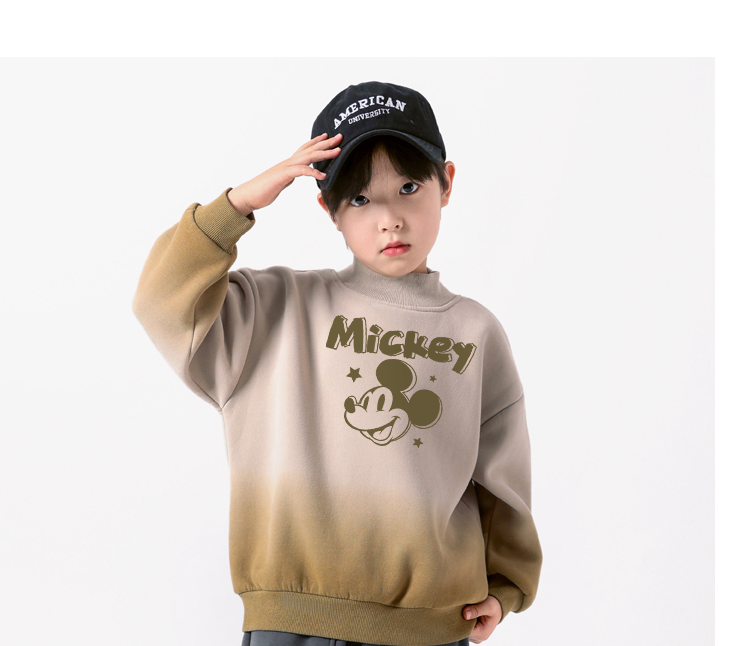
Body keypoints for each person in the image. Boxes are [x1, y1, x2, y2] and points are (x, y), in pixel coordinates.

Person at [132, 81, 542, 646]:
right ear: (328, 208)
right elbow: (159, 301)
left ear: (446, 183)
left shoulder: (475, 332)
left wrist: (506, 586)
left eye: (408, 187)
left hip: (429, 628)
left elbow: (502, 476)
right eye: (360, 199)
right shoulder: (272, 310)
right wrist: (235, 207)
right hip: (291, 623)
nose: (390, 219)